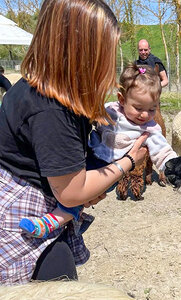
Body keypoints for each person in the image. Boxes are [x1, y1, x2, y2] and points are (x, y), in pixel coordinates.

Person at [0, 0, 148, 285]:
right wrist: (129, 161)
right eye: (106, 51)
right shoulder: (51, 109)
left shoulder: (44, 90)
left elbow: (66, 174)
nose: (110, 61)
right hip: (17, 222)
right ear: (83, 51)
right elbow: (71, 192)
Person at [19, 63, 177, 239]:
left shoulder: (150, 129)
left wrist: (173, 168)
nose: (145, 115)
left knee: (76, 198)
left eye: (152, 109)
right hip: (90, 155)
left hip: (109, 169)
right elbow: (93, 115)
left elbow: (163, 150)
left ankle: (49, 223)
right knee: (64, 183)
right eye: (139, 108)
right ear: (122, 100)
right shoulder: (112, 109)